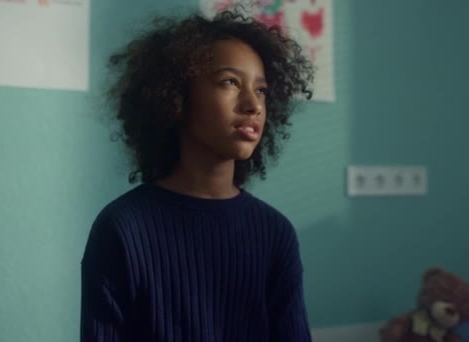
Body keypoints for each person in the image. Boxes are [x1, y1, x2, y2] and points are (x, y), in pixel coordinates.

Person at [80, 8, 314, 342]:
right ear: (176, 96)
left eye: (261, 90)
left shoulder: (275, 233)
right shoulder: (122, 228)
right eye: (230, 82)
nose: (253, 105)